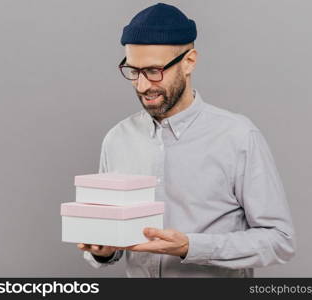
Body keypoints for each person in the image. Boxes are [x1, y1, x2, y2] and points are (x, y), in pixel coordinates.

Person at [77, 2, 296, 277]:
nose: (143, 86)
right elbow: (110, 237)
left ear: (189, 62)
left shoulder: (238, 136)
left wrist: (192, 247)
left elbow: (280, 241)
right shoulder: (117, 139)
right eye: (133, 71)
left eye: (154, 71)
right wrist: (104, 250)